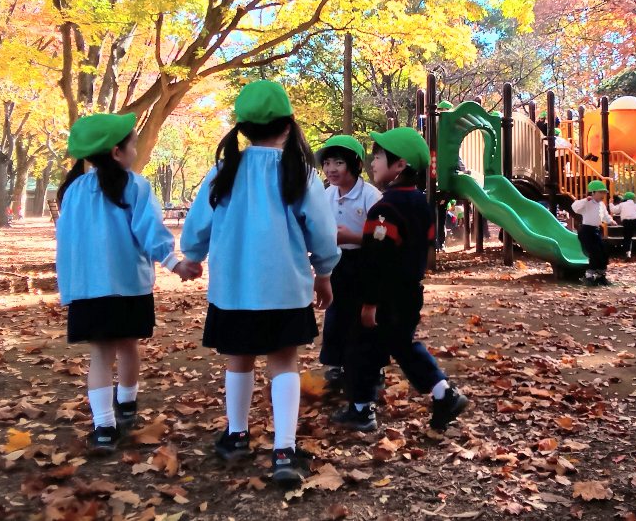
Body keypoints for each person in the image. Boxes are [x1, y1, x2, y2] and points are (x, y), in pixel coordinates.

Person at [180, 81, 341, 484]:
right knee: (284, 362)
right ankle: (284, 450)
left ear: (243, 128)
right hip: (285, 288)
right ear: (288, 125)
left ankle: (236, 435)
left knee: (239, 359)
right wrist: (324, 272)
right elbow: (323, 232)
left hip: (233, 291)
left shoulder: (224, 172)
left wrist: (193, 256)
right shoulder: (300, 174)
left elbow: (198, 223)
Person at [55, 113, 200, 455]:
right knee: (128, 346)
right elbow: (149, 231)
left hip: (88, 289)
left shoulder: (73, 191)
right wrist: (174, 263)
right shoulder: (135, 185)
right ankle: (127, 405)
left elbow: (67, 242)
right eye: (133, 145)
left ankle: (104, 427)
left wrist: (70, 287)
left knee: (100, 355)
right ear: (117, 152)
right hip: (128, 286)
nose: (136, 150)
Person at [333, 127, 469, 433]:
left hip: (385, 297)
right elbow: (424, 244)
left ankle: (362, 409)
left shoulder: (384, 209)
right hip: (409, 293)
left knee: (360, 348)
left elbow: (375, 260)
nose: (373, 162)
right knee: (399, 345)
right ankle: (442, 393)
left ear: (400, 164)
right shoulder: (421, 204)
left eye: (379, 156)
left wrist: (369, 303)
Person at [317, 135, 382, 391]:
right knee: (336, 314)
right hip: (337, 262)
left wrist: (354, 237)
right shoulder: (327, 195)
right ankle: (337, 365)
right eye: (327, 163)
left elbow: (382, 236)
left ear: (355, 165)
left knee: (363, 315)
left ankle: (372, 368)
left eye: (339, 163)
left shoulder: (370, 196)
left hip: (364, 261)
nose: (331, 169)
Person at [571, 180, 614, 285]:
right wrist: (586, 200)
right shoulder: (587, 203)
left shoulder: (602, 204)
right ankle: (588, 276)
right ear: (593, 192)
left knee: (603, 253)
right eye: (600, 192)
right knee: (595, 253)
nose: (603, 195)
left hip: (596, 231)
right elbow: (575, 207)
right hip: (586, 231)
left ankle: (601, 275)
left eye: (604, 193)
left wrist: (610, 221)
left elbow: (605, 215)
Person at [610, 191, 636, 260]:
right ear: (633, 198)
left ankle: (628, 253)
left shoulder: (622, 205)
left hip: (626, 222)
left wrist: (610, 203)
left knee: (627, 238)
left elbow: (614, 210)